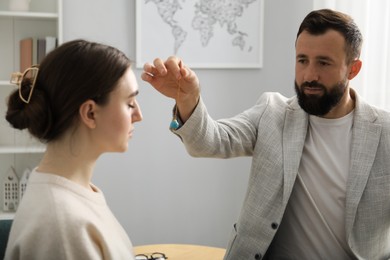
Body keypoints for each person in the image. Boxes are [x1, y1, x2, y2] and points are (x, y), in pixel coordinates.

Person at [141, 9, 390, 260]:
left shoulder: (385, 132)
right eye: (302, 60)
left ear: (353, 69)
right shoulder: (273, 113)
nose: (309, 75)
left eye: (323, 63)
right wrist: (188, 98)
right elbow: (209, 142)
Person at [5, 39, 142, 259]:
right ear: (90, 113)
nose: (138, 116)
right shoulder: (63, 227)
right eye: (129, 104)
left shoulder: (73, 193)